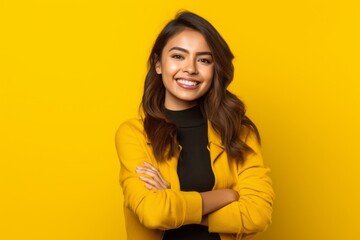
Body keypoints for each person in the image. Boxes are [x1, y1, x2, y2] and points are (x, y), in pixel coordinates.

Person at [115, 11, 274, 240]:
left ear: (214, 70)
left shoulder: (239, 133)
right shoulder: (134, 134)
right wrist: (226, 196)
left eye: (204, 60)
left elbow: (258, 214)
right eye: (178, 56)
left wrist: (174, 200)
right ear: (158, 64)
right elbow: (153, 213)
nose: (190, 68)